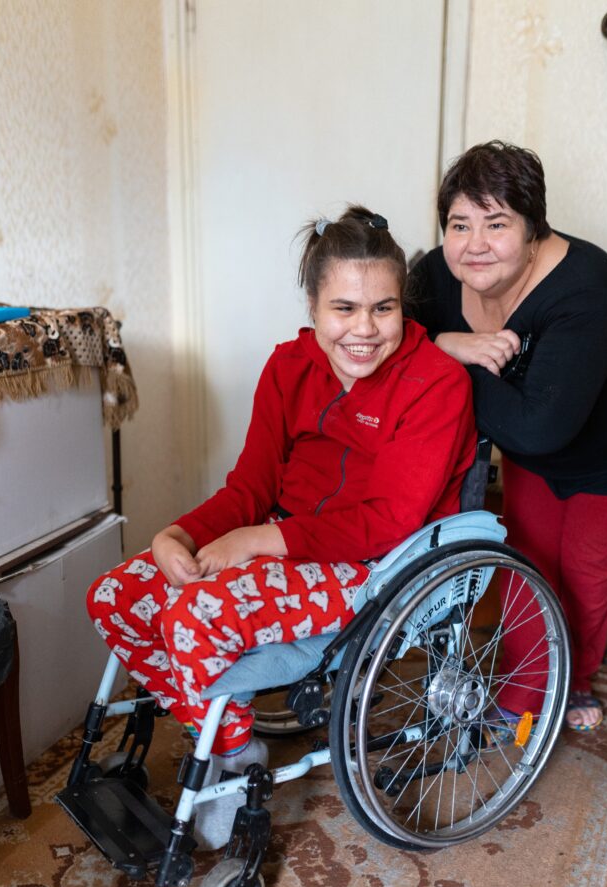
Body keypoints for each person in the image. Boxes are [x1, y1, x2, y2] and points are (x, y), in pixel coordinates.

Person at [88, 204, 477, 846]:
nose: (364, 329)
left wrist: (258, 541)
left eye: (383, 308)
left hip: (373, 566)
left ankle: (229, 760)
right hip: (285, 539)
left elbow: (390, 520)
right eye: (343, 308)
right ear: (313, 306)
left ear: (403, 307)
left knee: (193, 617)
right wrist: (178, 536)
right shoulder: (288, 366)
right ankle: (227, 735)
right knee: (115, 596)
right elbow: (251, 487)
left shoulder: (436, 384)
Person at [407, 140, 607, 732]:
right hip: (534, 429)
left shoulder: (586, 288)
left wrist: (448, 362)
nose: (474, 243)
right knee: (526, 558)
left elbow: (536, 426)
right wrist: (447, 342)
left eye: (496, 223)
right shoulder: (439, 276)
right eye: (459, 224)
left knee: (586, 567)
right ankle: (527, 686)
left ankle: (576, 681)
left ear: (533, 229)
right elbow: (391, 335)